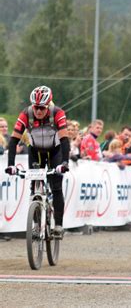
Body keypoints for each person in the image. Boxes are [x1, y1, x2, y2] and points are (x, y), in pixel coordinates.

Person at [4, 86, 70, 237]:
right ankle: (35, 224)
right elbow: (13, 141)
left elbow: (65, 140)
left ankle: (58, 225)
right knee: (34, 188)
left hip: (55, 151)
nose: (38, 111)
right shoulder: (26, 114)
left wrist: (65, 163)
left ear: (48, 105)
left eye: (42, 108)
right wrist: (11, 165)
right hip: (35, 152)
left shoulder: (57, 113)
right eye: (36, 107)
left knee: (56, 187)